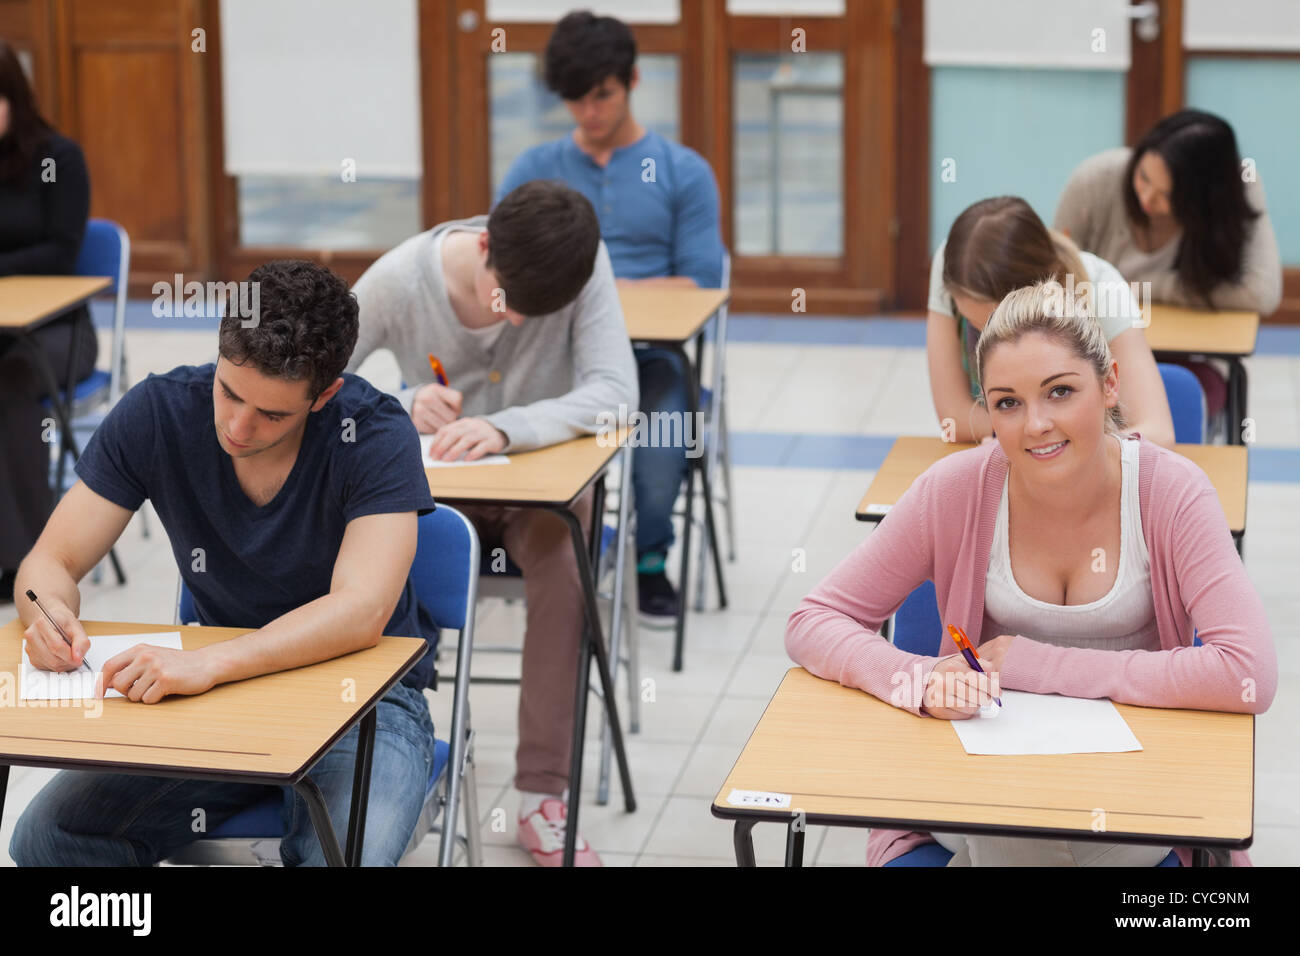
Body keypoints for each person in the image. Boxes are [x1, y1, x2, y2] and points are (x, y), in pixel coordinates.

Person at [788, 279, 1275, 867]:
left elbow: (1248, 672)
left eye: (1060, 392)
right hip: (989, 793)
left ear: (1110, 384)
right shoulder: (956, 489)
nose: (1036, 424)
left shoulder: (1172, 493)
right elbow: (812, 619)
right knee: (1011, 835)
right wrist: (919, 680)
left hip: (1128, 796)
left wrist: (1036, 664)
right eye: (1008, 403)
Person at [10, 260, 439, 867]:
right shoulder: (160, 411)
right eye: (229, 391)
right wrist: (48, 616)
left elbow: (360, 612)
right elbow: (51, 559)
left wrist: (209, 663)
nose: (238, 425)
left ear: (325, 396)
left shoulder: (373, 433)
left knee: (344, 859)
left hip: (365, 702)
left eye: (273, 414)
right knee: (48, 838)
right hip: (219, 698)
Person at [345, 179, 638, 866]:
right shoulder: (397, 280)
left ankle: (542, 793)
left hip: (538, 489)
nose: (513, 324)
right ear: (482, 245)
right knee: (374, 561)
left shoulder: (581, 264)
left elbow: (617, 392)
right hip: (437, 492)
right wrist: (401, 401)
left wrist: (508, 428)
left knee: (566, 565)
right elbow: (320, 383)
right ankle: (399, 753)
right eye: (503, 300)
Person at [496, 10, 725, 625]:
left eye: (602, 95)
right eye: (575, 99)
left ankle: (649, 562)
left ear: (633, 81)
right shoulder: (533, 170)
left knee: (660, 439)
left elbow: (701, 282)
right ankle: (545, 548)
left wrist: (601, 289)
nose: (590, 113)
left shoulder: (683, 172)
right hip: (552, 359)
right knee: (498, 424)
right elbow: (506, 275)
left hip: (652, 358)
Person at [1054, 110, 1282, 431]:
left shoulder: (1239, 189)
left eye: (1168, 196)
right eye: (1143, 178)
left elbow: (1261, 292)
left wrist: (1129, 286)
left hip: (1191, 357)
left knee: (1180, 404)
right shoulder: (1096, 179)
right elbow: (1056, 274)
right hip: (1097, 347)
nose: (1147, 198)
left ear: (1206, 201)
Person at [927, 196, 1175, 448]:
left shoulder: (1104, 290)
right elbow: (953, 420)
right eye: (975, 325)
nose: (986, 340)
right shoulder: (956, 263)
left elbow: (1158, 432)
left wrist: (1055, 445)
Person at [0, 39, 95, 603]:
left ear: (13, 97)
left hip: (58, 333)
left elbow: (63, 252)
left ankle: (23, 561)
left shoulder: (58, 158)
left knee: (9, 387)